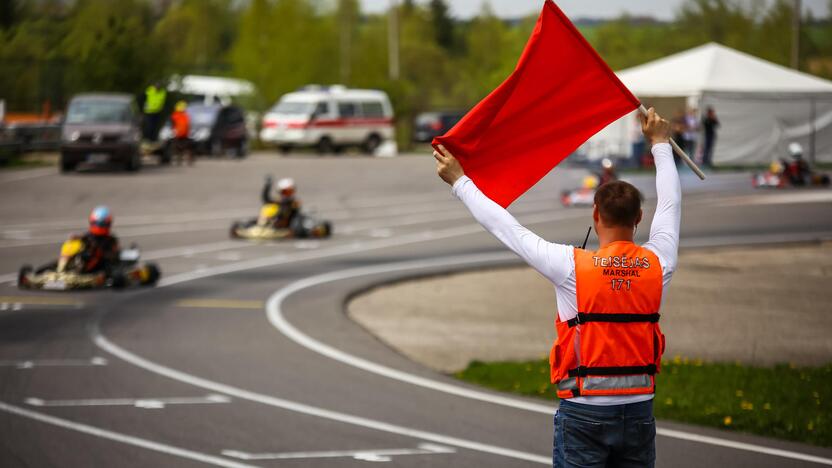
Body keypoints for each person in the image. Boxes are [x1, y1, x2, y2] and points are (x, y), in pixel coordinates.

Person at [435, 108, 680, 468]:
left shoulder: (570, 267)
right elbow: (671, 206)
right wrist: (660, 144)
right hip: (638, 412)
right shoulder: (658, 264)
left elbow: (508, 229)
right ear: (639, 218)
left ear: (595, 216)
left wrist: (460, 181)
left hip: (583, 414)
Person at [80, 206, 120, 274]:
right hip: (85, 261)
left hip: (100, 267)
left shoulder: (110, 239)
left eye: (102, 224)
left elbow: (115, 256)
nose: (100, 226)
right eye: (98, 223)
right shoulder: (87, 237)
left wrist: (100, 252)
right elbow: (81, 244)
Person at [170, 101, 193, 166]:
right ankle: (179, 160)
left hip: (183, 134)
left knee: (183, 148)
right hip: (179, 134)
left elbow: (188, 125)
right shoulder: (177, 115)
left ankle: (184, 160)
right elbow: (173, 124)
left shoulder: (183, 115)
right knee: (180, 148)